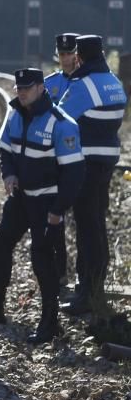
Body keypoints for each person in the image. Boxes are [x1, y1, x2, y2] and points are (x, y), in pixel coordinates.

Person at [0, 69, 85, 343]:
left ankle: (50, 322)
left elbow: (74, 174)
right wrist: (8, 174)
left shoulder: (62, 124)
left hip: (47, 202)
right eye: (19, 87)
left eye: (28, 87)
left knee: (43, 259)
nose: (21, 91)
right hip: (20, 199)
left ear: (41, 88)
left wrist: (57, 210)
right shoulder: (16, 114)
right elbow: (5, 150)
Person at [58, 35, 128, 315]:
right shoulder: (113, 82)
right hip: (108, 159)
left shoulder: (83, 84)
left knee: (86, 226)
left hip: (85, 161)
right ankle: (95, 288)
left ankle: (87, 292)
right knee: (97, 222)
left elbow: (59, 115)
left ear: (80, 57)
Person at [43, 32, 80, 287]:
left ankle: (85, 276)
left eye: (70, 53)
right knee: (55, 216)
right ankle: (59, 273)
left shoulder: (85, 81)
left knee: (84, 220)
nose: (66, 59)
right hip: (55, 159)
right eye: (62, 54)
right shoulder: (50, 83)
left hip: (79, 157)